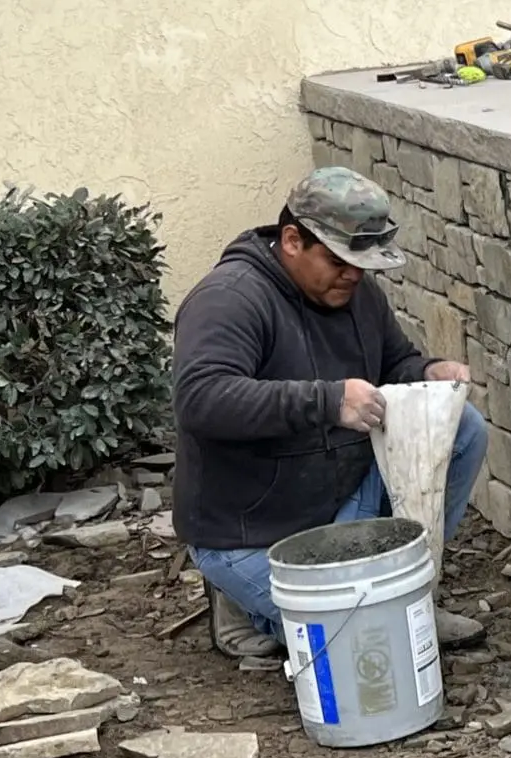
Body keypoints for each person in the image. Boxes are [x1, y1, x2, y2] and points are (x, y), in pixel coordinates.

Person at [173, 167, 489, 660]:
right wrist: (328, 401)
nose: (354, 274)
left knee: (462, 428)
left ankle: (405, 592)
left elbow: (393, 365)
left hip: (339, 508)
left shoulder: (355, 293)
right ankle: (242, 600)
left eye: (363, 263)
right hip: (250, 533)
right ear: (293, 239)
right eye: (340, 260)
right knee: (365, 642)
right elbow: (202, 399)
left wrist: (428, 371)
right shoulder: (230, 300)